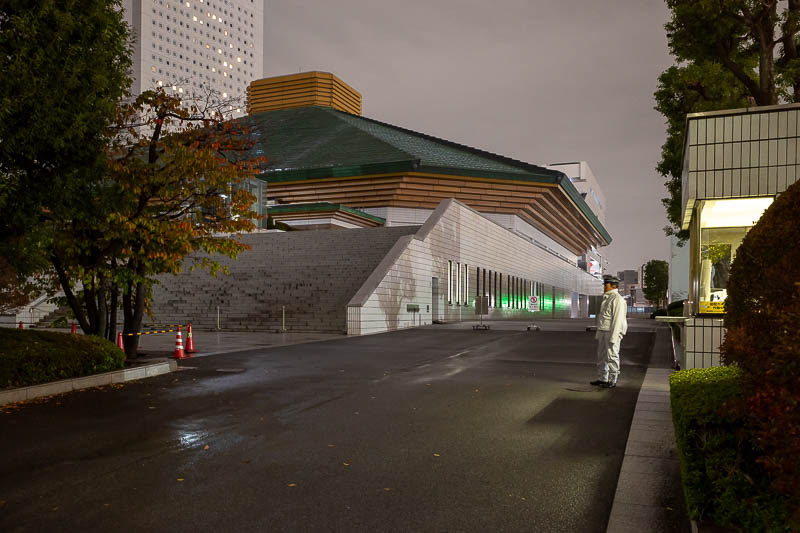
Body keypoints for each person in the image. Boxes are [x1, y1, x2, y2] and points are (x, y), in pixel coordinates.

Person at [591, 275, 627, 389]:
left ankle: (613, 380)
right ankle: (602, 378)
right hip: (604, 331)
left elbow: (618, 319)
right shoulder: (608, 298)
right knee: (602, 356)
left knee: (612, 356)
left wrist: (614, 336)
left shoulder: (617, 299)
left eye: (606, 285)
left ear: (613, 286)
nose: (604, 287)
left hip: (611, 332)